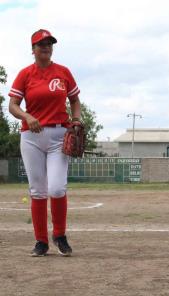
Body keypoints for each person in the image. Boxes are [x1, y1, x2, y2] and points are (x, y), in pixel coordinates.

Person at [8, 29, 82, 256]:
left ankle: (59, 235)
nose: (46, 47)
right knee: (38, 190)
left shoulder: (63, 72)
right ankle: (41, 241)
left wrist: (77, 119)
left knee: (57, 187)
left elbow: (75, 100)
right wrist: (27, 117)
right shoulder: (25, 74)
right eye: (41, 44)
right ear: (33, 50)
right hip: (31, 137)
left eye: (49, 43)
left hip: (59, 135)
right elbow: (13, 106)